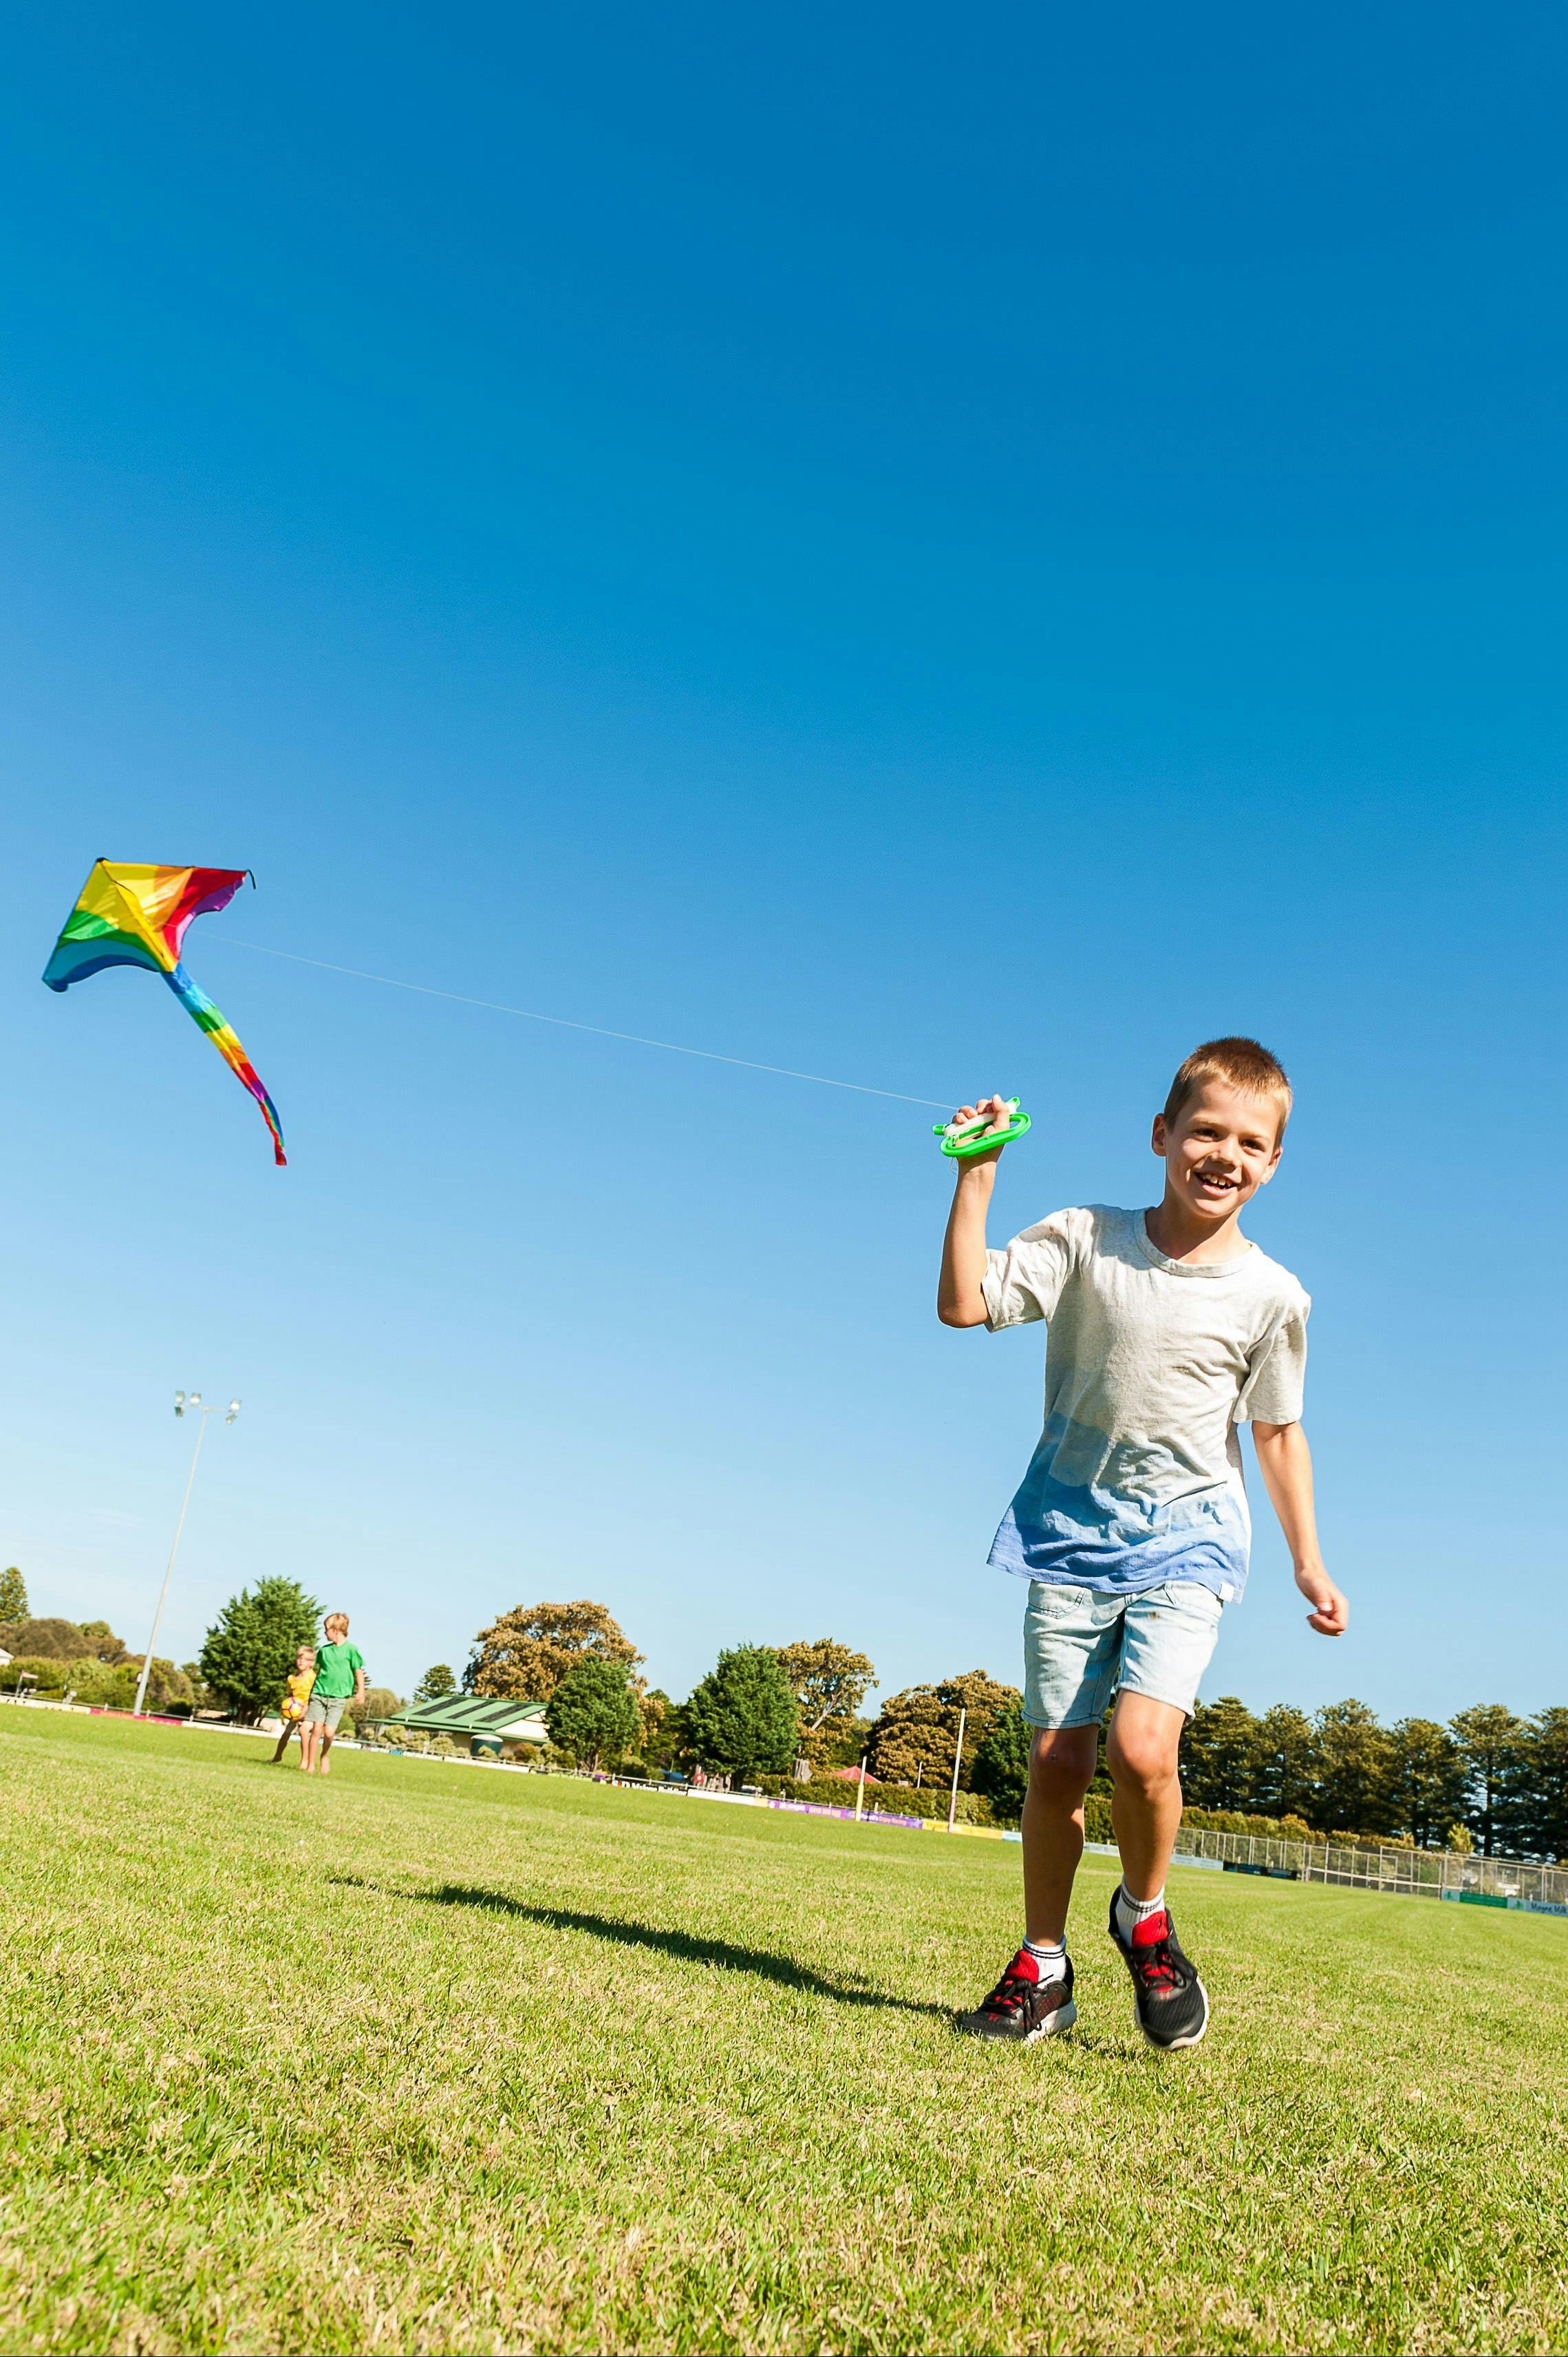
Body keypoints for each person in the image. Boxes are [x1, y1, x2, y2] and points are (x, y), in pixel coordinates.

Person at [938, 1037, 1348, 2053]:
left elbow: (1276, 1433)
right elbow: (962, 1303)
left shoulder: (1272, 1296)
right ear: (1161, 1134)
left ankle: (1144, 1915)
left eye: (1248, 1142)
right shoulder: (1083, 1236)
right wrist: (974, 1176)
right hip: (1067, 1530)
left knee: (1139, 1747)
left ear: (1273, 1163)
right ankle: (1041, 1967)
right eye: (1203, 1130)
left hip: (1191, 1539)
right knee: (1053, 1758)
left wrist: (1306, 1557)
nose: (1223, 1154)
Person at [299, 1613, 366, 1776]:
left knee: (329, 1732)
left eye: (326, 1630)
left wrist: (361, 1692)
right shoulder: (324, 1651)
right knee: (316, 1730)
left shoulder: (351, 1650)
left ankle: (324, 1755)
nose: (324, 1633)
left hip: (338, 1697)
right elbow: (320, 1672)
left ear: (336, 1630)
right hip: (319, 1694)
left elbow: (358, 1672)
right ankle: (310, 1765)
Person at [270, 1644, 316, 1764]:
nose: (301, 1661)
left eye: (305, 1659)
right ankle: (277, 1756)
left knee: (304, 1732)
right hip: (295, 1711)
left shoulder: (313, 1677)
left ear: (311, 1663)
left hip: (308, 1710)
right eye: (299, 1658)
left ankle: (304, 1760)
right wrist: (284, 1708)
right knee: (286, 1733)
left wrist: (306, 1708)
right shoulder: (292, 1678)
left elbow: (314, 1695)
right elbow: (290, 1696)